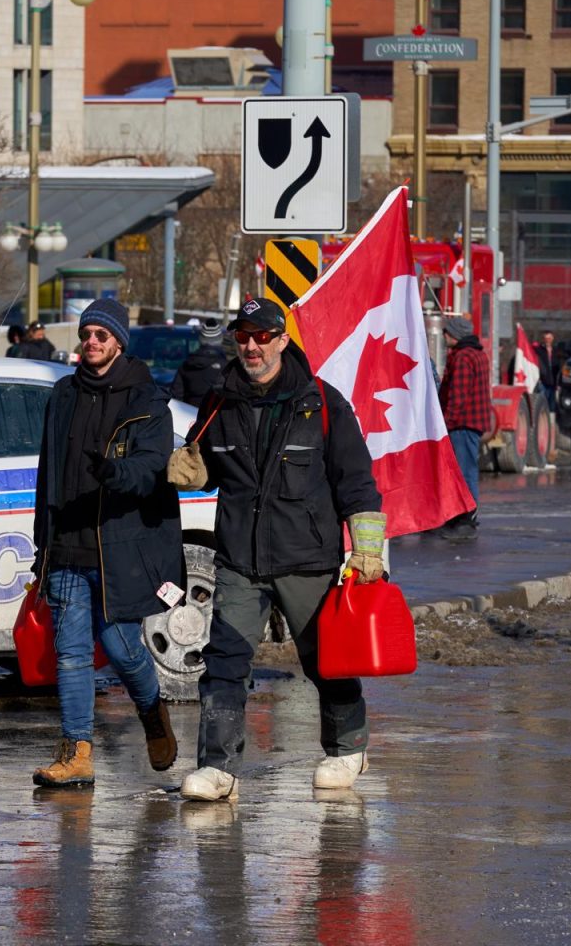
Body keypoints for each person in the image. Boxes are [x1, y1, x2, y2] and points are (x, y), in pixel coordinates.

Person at [167, 297, 385, 801]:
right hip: (240, 556)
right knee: (225, 660)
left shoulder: (323, 404)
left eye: (263, 336)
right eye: (244, 336)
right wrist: (194, 473)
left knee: (325, 660)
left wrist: (367, 550)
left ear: (283, 341)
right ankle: (218, 769)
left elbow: (356, 482)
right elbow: (210, 470)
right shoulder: (218, 403)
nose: (252, 346)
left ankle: (347, 746)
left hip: (307, 557)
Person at [31, 298, 183, 787]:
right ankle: (76, 753)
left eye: (101, 335)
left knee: (120, 647)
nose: (91, 342)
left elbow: (150, 472)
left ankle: (151, 709)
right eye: (87, 334)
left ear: (119, 341)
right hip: (67, 545)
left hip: (118, 548)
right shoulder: (63, 395)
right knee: (71, 653)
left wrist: (113, 472)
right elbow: (46, 475)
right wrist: (42, 545)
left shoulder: (146, 400)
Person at [438, 315, 491, 541]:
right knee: (466, 470)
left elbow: (457, 396)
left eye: (447, 332)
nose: (444, 336)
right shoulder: (478, 354)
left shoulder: (461, 358)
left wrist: (445, 423)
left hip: (462, 423)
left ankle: (466, 518)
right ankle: (460, 516)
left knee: (464, 472)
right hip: (473, 421)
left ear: (456, 335)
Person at [169, 318, 229, 406]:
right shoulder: (228, 368)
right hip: (217, 417)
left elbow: (175, 399)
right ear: (220, 340)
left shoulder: (186, 366)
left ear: (201, 339)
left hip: (189, 417)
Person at [535, 331, 563, 412]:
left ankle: (551, 422)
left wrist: (559, 382)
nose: (547, 340)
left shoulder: (557, 351)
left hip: (554, 382)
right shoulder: (538, 350)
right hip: (542, 381)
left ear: (553, 338)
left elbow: (560, 366)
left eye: (549, 338)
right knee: (542, 404)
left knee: (552, 405)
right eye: (546, 338)